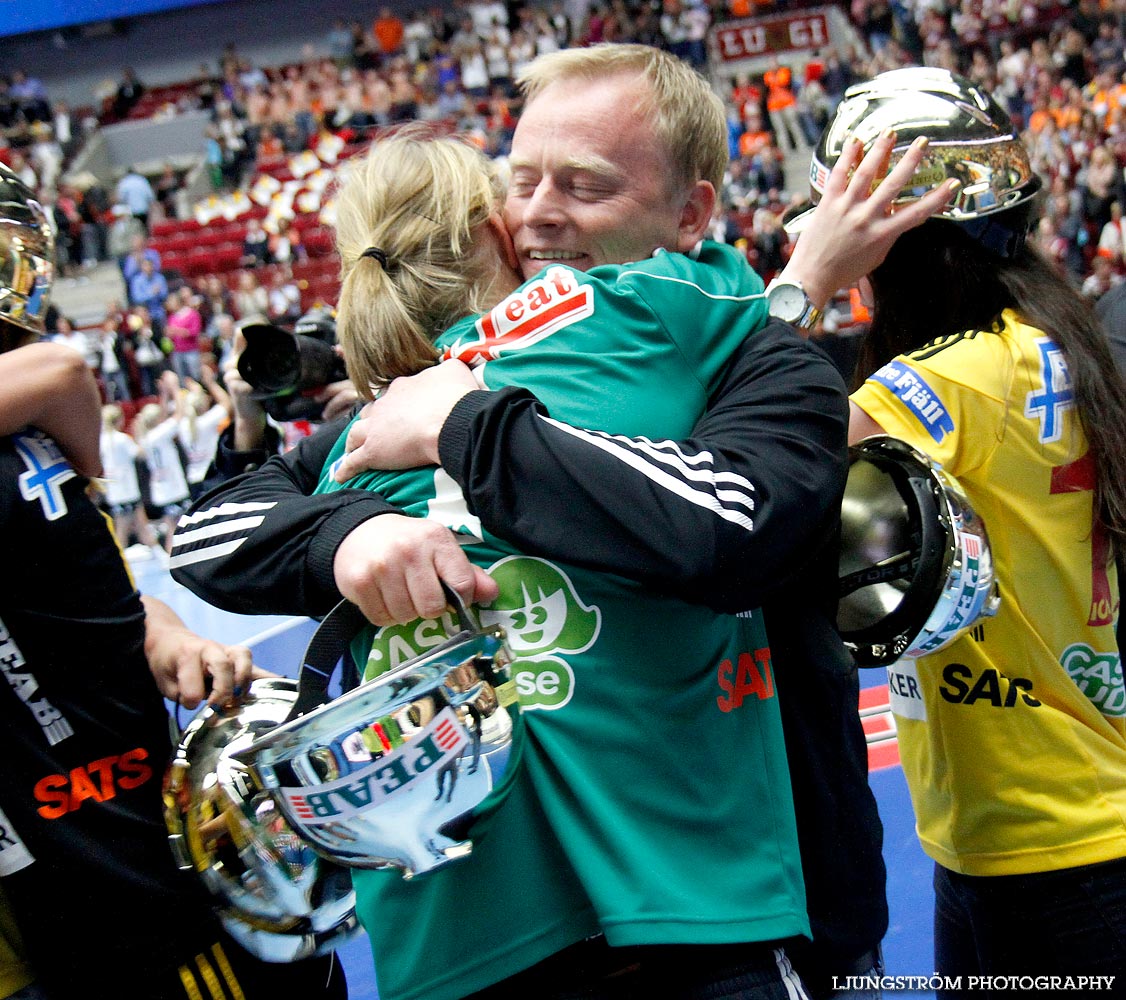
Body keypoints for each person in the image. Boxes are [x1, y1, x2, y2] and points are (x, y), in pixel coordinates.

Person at [172, 44, 951, 1000]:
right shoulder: (406, 401)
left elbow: (730, 527)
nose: (541, 212)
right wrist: (350, 537)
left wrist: (464, 428)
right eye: (523, 180)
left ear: (692, 215)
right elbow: (205, 532)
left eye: (585, 186)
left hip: (713, 916)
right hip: (470, 941)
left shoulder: (750, 354)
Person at [805, 67, 1126, 989]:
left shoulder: (939, 382)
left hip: (1039, 841)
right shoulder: (1059, 339)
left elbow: (760, 476)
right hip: (1041, 820)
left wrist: (803, 285)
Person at [0, 164, 346, 999]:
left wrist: (160, 629)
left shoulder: (27, 420)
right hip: (76, 865)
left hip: (118, 836)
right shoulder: (38, 391)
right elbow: (62, 371)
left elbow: (100, 576)